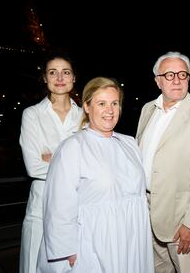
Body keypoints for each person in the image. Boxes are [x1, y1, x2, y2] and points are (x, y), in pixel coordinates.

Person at [36, 77, 154, 272]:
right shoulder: (73, 147)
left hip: (132, 239)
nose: (110, 110)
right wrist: (66, 250)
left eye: (114, 103)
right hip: (93, 243)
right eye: (102, 103)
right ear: (87, 107)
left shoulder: (130, 143)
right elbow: (58, 203)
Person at [136, 51, 190, 273]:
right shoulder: (147, 110)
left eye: (182, 74)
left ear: (189, 79)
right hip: (147, 215)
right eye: (170, 74)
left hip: (181, 219)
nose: (176, 80)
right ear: (158, 80)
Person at [19, 52, 83, 273]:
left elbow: (93, 165)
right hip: (41, 207)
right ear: (45, 78)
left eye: (66, 72)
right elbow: (33, 167)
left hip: (77, 208)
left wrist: (52, 156)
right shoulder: (32, 115)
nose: (59, 77)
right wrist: (73, 163)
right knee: (31, 267)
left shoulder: (85, 116)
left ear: (74, 78)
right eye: (52, 72)